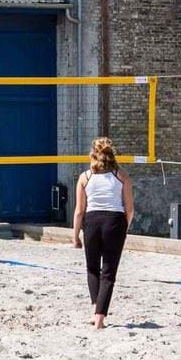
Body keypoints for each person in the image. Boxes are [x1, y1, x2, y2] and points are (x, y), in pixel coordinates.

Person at [72, 137, 134, 330]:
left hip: (91, 221)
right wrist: (125, 227)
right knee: (108, 272)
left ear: (93, 154)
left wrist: (75, 236)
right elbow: (129, 208)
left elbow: (79, 211)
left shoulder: (85, 177)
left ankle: (95, 311)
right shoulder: (121, 175)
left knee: (92, 268)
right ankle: (99, 318)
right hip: (114, 221)